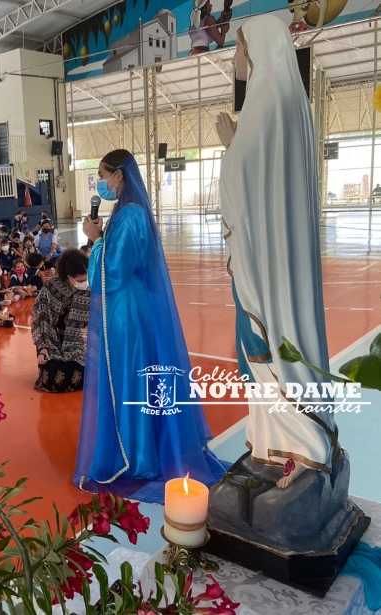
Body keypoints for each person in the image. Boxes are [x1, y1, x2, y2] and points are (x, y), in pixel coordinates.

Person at [215, 16, 337, 489]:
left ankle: (297, 444)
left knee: (261, 344)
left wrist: (231, 148)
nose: (236, 59)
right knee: (268, 348)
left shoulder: (268, 103)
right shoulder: (292, 103)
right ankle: (273, 443)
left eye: (240, 48)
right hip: (281, 254)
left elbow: (244, 183)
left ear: (258, 48)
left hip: (264, 262)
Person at [74, 148, 227, 503]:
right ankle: (144, 448)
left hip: (125, 308)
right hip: (132, 304)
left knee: (126, 378)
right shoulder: (129, 213)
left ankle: (136, 457)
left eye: (102, 174)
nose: (100, 183)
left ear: (119, 176)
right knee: (137, 377)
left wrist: (95, 240)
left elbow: (111, 273)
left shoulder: (129, 216)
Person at [31, 249, 91, 393]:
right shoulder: (51, 287)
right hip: (50, 342)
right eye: (80, 281)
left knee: (82, 372)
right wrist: (43, 348)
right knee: (53, 378)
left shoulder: (91, 290)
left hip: (78, 345)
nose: (84, 283)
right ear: (69, 277)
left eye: (86, 279)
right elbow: (40, 318)